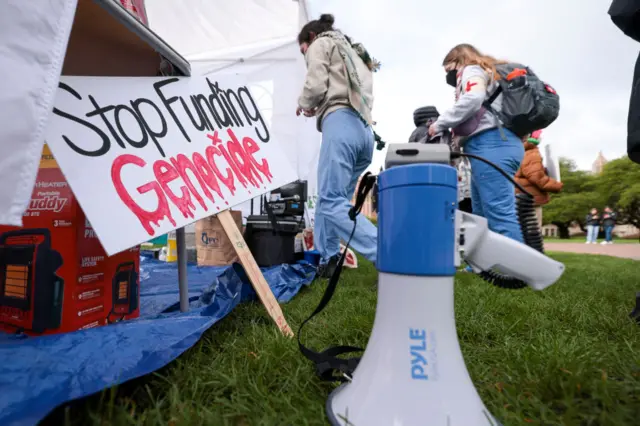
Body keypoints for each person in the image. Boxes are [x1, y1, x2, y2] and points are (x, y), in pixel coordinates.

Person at [296, 13, 379, 277]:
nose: (304, 56)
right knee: (331, 201)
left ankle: (391, 255)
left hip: (341, 124)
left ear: (310, 36)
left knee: (331, 202)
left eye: (303, 51)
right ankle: (328, 258)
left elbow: (316, 84)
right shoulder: (355, 50)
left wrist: (305, 103)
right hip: (364, 131)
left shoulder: (321, 42)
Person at [428, 44, 524, 243]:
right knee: (481, 213)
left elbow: (473, 97)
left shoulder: (471, 69)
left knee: (499, 212)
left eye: (449, 69)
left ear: (458, 60)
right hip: (493, 144)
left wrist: (440, 123)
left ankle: (516, 271)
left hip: (491, 143)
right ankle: (484, 265)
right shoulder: (489, 72)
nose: (449, 76)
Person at [514, 130, 563, 229]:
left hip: (516, 195)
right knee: (532, 231)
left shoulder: (515, 150)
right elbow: (536, 176)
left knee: (519, 229)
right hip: (530, 198)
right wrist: (556, 185)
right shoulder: (531, 152)